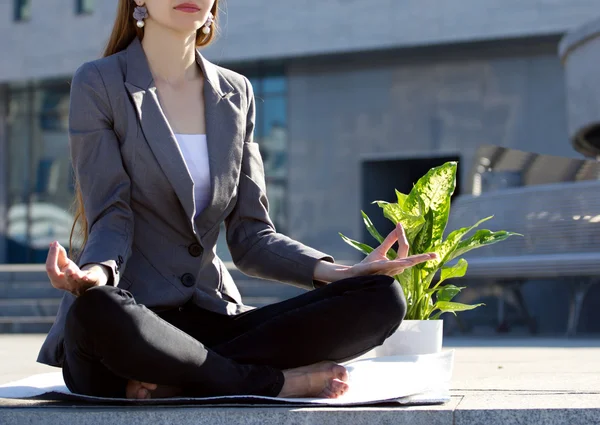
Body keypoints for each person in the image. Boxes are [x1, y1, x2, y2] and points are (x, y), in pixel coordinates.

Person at [37, 0, 437, 400]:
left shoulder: (235, 91)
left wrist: (337, 273)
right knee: (97, 310)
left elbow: (251, 236)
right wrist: (96, 274)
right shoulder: (99, 82)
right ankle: (270, 383)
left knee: (381, 298)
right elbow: (112, 213)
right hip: (132, 323)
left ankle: (184, 381)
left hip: (211, 320)